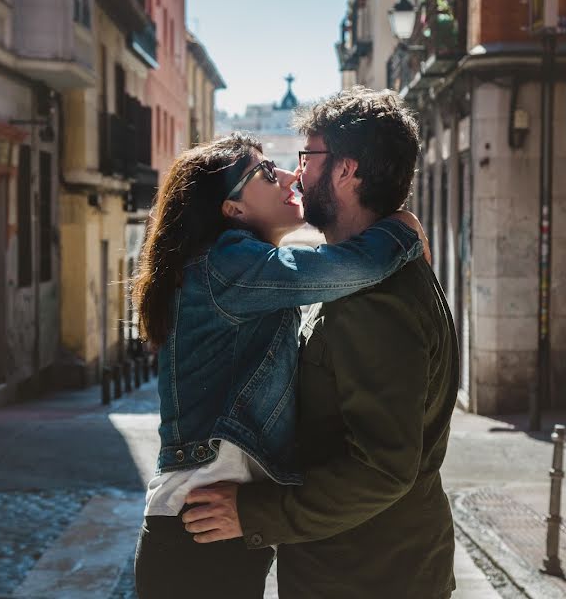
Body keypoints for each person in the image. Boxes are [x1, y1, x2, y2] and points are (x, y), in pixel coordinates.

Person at [182, 87, 460, 598]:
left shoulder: (373, 298)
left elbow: (381, 469)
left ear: (346, 171)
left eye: (308, 158)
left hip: (366, 575)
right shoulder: (372, 272)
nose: (298, 173)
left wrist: (250, 513)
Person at [131, 131, 429, 599]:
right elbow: (346, 268)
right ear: (233, 209)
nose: (290, 175)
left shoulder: (242, 272)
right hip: (197, 532)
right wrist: (402, 230)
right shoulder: (226, 264)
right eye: (266, 173)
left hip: (214, 530)